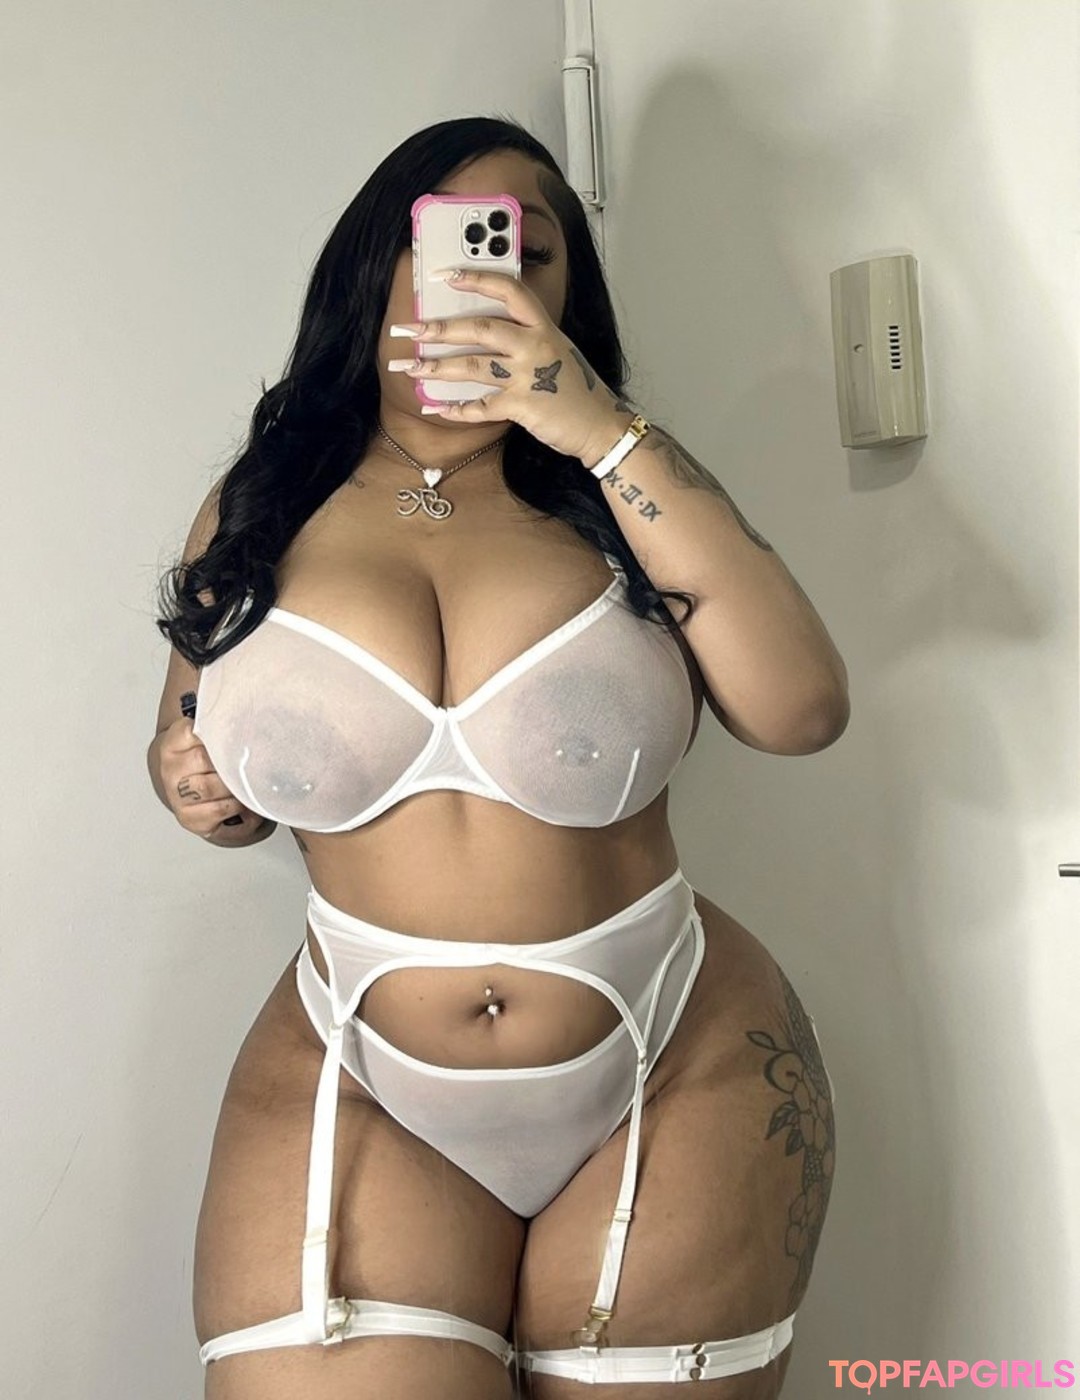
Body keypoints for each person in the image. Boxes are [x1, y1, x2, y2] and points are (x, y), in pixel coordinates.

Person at [148, 115, 847, 1400]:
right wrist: (193, 785)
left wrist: (603, 432)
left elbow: (800, 709)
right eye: (458, 237)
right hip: (359, 1061)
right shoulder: (263, 500)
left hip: (672, 1053)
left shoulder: (620, 487)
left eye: (532, 249)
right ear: (380, 261)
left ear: (571, 290)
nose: (493, 270)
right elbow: (191, 743)